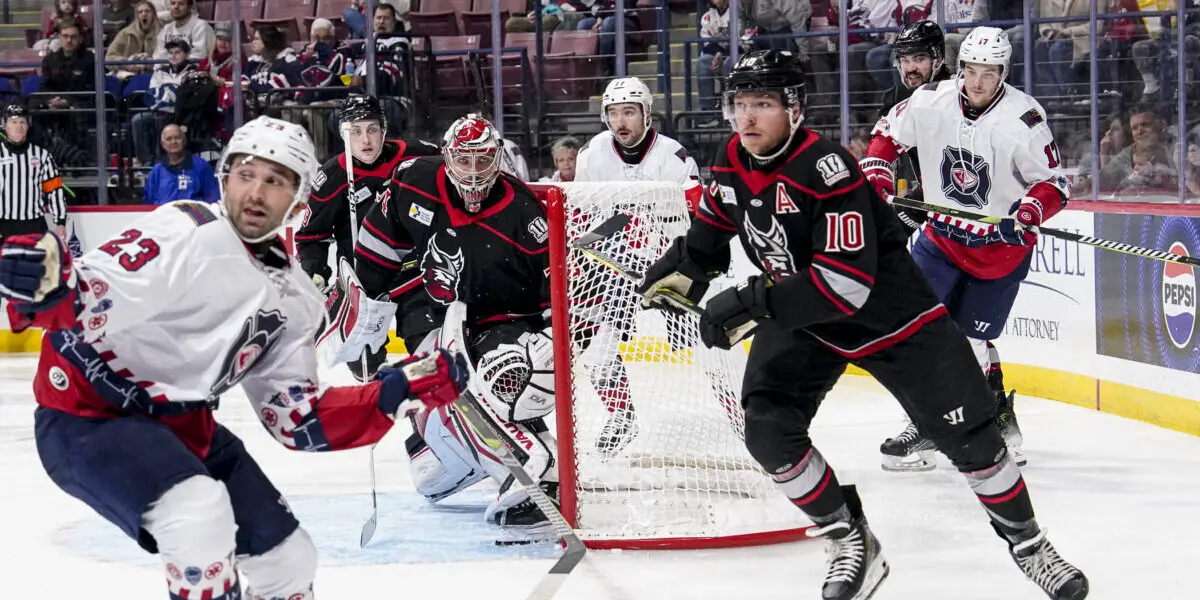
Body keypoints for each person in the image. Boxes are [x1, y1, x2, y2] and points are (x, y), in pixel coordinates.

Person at [637, 49, 1088, 600]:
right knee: (768, 430)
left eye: (762, 105)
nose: (747, 118)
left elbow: (846, 284)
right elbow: (713, 226)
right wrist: (685, 264)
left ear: (795, 108)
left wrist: (751, 302)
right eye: (740, 105)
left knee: (974, 440)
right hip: (804, 317)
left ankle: (1030, 545)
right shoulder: (733, 159)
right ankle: (851, 539)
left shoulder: (826, 169)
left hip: (892, 319)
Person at [0, 116, 467, 600]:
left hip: (184, 427)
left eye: (276, 181)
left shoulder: (296, 301)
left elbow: (297, 418)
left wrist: (396, 390)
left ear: (301, 200)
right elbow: (96, 289)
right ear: (224, 177)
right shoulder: (186, 227)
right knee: (199, 515)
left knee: (289, 559)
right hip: (89, 415)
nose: (257, 194)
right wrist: (48, 283)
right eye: (246, 175)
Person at [862, 26, 1068, 471]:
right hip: (941, 238)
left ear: (1003, 73)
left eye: (988, 73)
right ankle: (923, 423)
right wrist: (878, 166)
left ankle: (990, 422)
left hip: (998, 250)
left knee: (970, 340)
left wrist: (1030, 212)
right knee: (914, 329)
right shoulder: (931, 100)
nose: (976, 82)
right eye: (971, 70)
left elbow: (1053, 184)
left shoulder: (1023, 118)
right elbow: (887, 133)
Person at [353, 114, 558, 527]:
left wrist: (550, 334)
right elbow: (375, 252)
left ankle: (530, 466)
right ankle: (436, 445)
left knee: (505, 373)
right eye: (464, 161)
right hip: (426, 308)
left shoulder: (523, 211)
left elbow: (548, 292)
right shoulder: (413, 179)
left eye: (483, 160)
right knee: (433, 457)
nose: (474, 171)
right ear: (447, 157)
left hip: (498, 314)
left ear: (498, 158)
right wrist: (365, 323)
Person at [572, 76, 703, 455]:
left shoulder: (673, 156)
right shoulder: (593, 154)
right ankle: (621, 415)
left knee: (713, 349)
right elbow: (580, 214)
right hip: (611, 266)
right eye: (613, 113)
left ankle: (743, 417)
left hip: (669, 265)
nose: (621, 121)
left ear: (647, 114)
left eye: (629, 111)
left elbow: (695, 213)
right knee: (591, 340)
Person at [296, 94, 440, 380]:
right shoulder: (331, 178)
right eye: (355, 131)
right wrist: (316, 273)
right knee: (365, 367)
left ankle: (427, 405)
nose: (366, 140)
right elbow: (311, 236)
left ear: (384, 130)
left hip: (413, 276)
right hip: (363, 286)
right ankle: (381, 406)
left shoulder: (419, 156)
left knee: (428, 350)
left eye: (372, 129)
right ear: (342, 134)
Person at [0, 104, 67, 240]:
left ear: (28, 125)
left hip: (34, 225)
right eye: (13, 122)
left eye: (22, 122)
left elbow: (54, 190)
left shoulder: (42, 156)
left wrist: (60, 222)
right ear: (5, 125)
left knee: (37, 261)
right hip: (3, 225)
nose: (18, 127)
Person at [143, 124, 220, 204]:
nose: (173, 142)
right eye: (169, 139)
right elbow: (148, 203)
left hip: (191, 216)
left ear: (184, 141)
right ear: (163, 145)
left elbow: (213, 200)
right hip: (164, 215)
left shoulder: (201, 167)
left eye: (177, 138)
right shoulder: (157, 171)